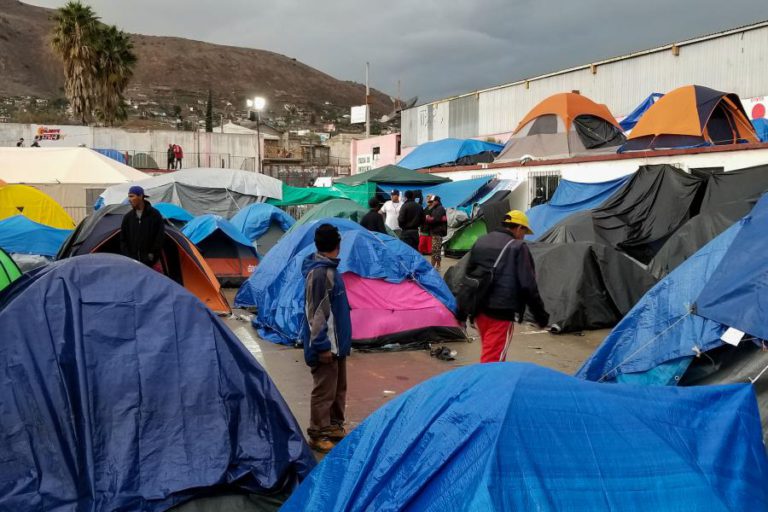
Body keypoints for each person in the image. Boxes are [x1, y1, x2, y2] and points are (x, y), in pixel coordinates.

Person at [466, 210, 549, 363]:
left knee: (490, 351)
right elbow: (528, 285)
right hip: (501, 313)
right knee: (493, 360)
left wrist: (463, 310)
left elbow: (468, 276)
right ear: (519, 228)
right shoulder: (518, 247)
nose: (524, 236)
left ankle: (492, 383)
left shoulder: (482, 240)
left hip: (479, 311)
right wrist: (540, 316)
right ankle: (487, 386)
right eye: (524, 231)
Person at [302, 223, 352, 453]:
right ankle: (318, 431)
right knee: (324, 390)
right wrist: (322, 345)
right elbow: (316, 313)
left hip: (337, 344)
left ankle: (333, 425)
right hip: (326, 346)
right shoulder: (321, 273)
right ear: (338, 245)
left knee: (338, 387)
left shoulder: (331, 270)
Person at [120, 186, 165, 268]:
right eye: (129, 196)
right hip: (132, 263)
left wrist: (152, 255)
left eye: (132, 196)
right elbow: (123, 239)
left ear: (140, 196)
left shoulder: (155, 215)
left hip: (150, 262)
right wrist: (128, 256)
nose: (129, 199)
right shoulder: (128, 217)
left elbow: (160, 237)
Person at [425, 195, 447, 269]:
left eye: (432, 201)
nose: (431, 203)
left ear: (436, 201)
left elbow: (436, 219)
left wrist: (428, 218)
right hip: (436, 231)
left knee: (435, 250)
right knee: (437, 249)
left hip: (437, 231)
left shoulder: (439, 209)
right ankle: (438, 265)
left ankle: (432, 267)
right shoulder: (436, 208)